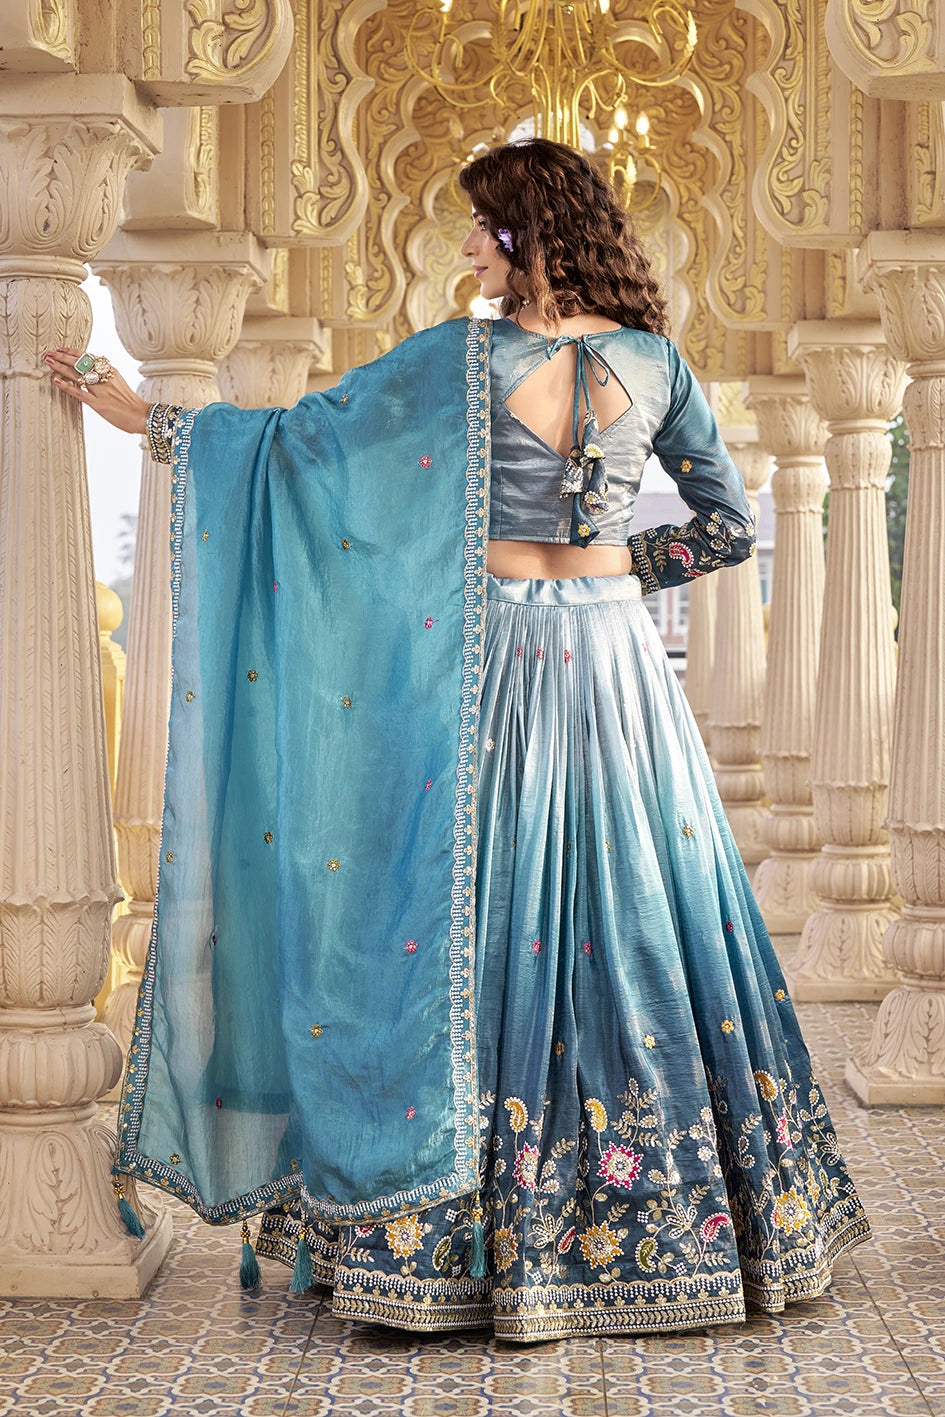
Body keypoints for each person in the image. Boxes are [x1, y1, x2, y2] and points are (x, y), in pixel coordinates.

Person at [45, 138, 869, 1343]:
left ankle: (450, 1243)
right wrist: (614, 568)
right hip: (616, 664)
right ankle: (682, 1226)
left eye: (485, 225)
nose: (470, 244)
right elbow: (727, 526)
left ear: (529, 234)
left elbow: (305, 448)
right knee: (638, 905)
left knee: (456, 912)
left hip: (492, 664)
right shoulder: (657, 363)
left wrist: (155, 423)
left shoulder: (463, 361)